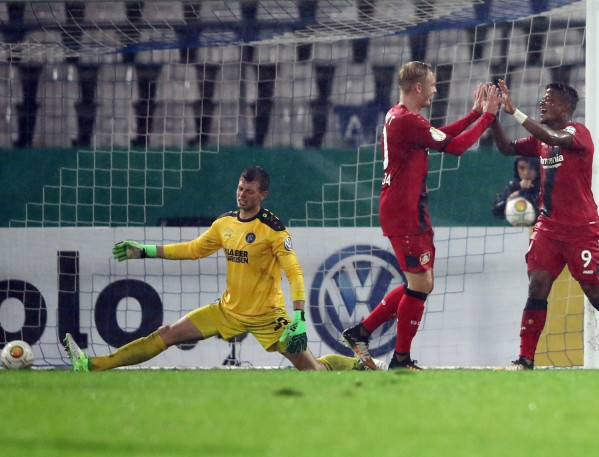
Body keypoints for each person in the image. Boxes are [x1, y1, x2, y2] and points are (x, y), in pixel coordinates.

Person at [64, 166, 380, 371]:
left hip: (268, 316)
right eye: (240, 188)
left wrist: (297, 317)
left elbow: (295, 273)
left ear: (263, 195)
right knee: (168, 334)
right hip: (227, 310)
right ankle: (91, 365)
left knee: (314, 371)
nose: (243, 194)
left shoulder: (273, 229)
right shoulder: (225, 223)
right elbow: (191, 250)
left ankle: (357, 366)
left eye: (250, 191)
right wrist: (145, 251)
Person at [341, 61, 503, 370]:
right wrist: (488, 117)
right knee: (420, 284)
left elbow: (439, 135)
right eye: (432, 84)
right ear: (418, 88)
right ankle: (397, 357)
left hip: (408, 209)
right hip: (403, 211)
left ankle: (364, 333)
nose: (435, 89)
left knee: (422, 283)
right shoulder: (407, 121)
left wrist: (474, 114)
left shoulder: (401, 116)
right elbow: (455, 147)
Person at [488, 80, 599, 370]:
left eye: (548, 100)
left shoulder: (578, 133)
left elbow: (553, 138)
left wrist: (515, 113)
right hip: (548, 228)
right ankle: (525, 359)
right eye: (542, 98)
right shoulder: (541, 138)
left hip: (582, 231)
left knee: (596, 295)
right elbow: (506, 148)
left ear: (565, 107)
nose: (542, 103)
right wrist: (491, 117)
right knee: (537, 285)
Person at [492, 156, 541, 220]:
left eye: (531, 168)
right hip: (517, 228)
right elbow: (496, 210)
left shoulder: (546, 186)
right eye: (522, 168)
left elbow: (544, 206)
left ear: (537, 169)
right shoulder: (513, 186)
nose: (526, 173)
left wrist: (520, 194)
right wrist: (509, 199)